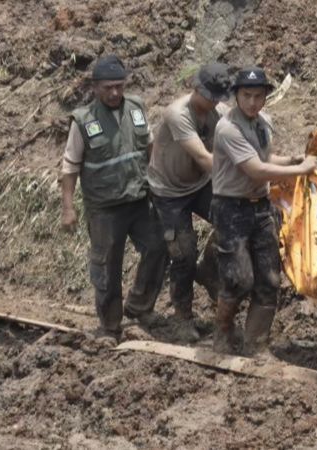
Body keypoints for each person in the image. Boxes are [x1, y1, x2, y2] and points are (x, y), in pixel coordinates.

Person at [60, 54, 168, 342]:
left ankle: (140, 305)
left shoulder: (136, 107)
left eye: (119, 86)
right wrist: (68, 208)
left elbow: (149, 146)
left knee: (159, 247)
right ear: (95, 87)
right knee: (107, 267)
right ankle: (110, 326)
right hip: (105, 208)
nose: (115, 93)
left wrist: (159, 184)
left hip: (138, 199)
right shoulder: (83, 121)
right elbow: (70, 167)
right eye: (108, 87)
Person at [211, 66, 317, 355]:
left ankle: (256, 345)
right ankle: (222, 331)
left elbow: (266, 157)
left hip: (260, 208)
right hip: (231, 208)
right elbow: (255, 170)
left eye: (259, 96)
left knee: (269, 280)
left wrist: (292, 159)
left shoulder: (262, 122)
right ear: (236, 96)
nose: (253, 102)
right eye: (246, 96)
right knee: (238, 279)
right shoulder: (227, 129)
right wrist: (299, 169)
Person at [147, 63, 232, 341]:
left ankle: (208, 268)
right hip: (169, 190)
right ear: (196, 89)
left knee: (232, 220)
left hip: (199, 184)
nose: (214, 103)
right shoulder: (177, 114)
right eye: (210, 96)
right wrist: (247, 169)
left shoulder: (218, 112)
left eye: (218, 98)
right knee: (183, 253)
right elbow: (205, 159)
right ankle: (182, 317)